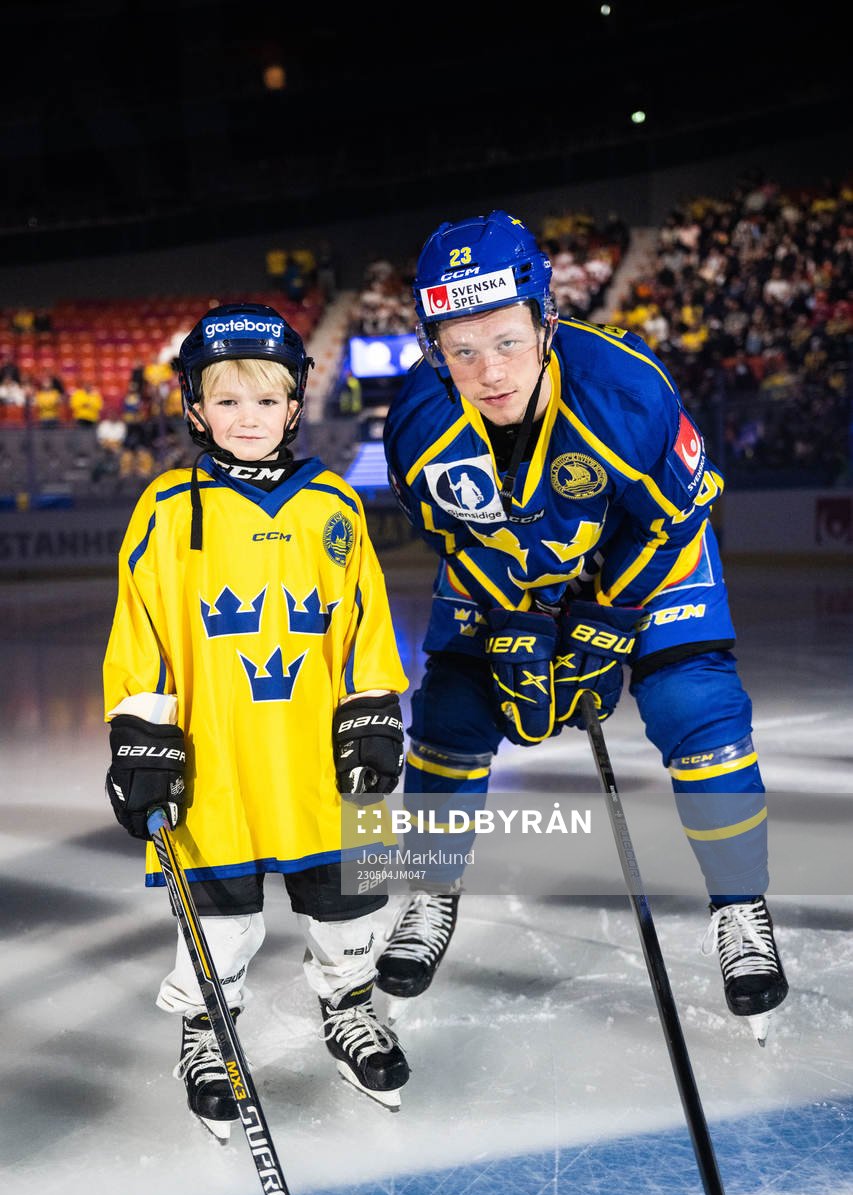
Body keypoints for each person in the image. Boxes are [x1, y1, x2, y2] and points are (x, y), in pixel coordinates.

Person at [380, 210, 788, 1041]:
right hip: (514, 564)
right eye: (461, 349)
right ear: (432, 347)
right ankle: (428, 891)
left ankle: (740, 905)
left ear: (545, 320)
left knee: (695, 708)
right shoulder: (418, 424)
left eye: (506, 340)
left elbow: (672, 520)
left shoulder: (625, 388)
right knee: (450, 713)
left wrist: (603, 626)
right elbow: (457, 540)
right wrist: (517, 627)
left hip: (644, 557)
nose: (489, 371)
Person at [102, 302, 410, 1136]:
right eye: (227, 400)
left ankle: (350, 1008)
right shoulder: (168, 507)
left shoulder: (333, 504)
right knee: (220, 915)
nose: (248, 417)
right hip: (217, 760)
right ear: (196, 408)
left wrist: (371, 713)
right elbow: (143, 632)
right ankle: (207, 1030)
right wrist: (143, 735)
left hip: (319, 756)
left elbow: (363, 624)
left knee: (348, 903)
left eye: (267, 400)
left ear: (294, 404)